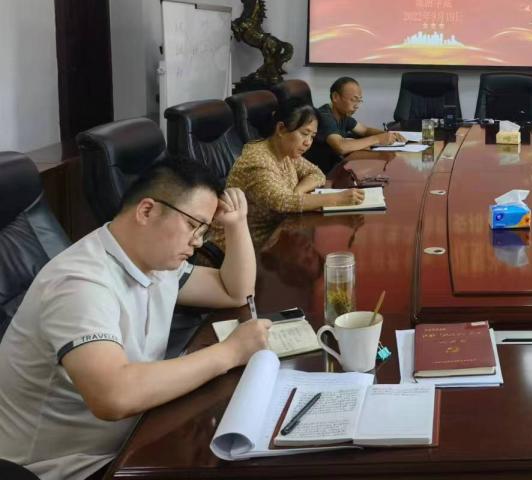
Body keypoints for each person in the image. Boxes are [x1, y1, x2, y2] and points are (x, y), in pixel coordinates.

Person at [0, 157, 272, 480]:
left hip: (133, 436)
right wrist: (230, 352)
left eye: (204, 230)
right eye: (193, 225)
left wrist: (236, 224)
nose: (198, 241)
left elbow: (234, 291)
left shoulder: (155, 262)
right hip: (67, 467)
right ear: (146, 211)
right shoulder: (79, 283)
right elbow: (113, 396)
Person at [216, 98, 364, 249]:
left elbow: (317, 174)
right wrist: (338, 198)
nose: (308, 142)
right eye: (304, 133)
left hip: (276, 236)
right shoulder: (257, 160)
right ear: (281, 129)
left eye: (312, 136)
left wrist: (298, 191)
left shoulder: (286, 152)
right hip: (240, 247)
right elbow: (282, 202)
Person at [317, 77, 405, 159]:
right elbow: (341, 146)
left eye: (359, 101)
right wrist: (378, 139)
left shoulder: (343, 114)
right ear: (335, 97)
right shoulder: (324, 116)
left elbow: (365, 130)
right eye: (353, 100)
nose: (357, 106)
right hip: (323, 169)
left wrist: (389, 135)